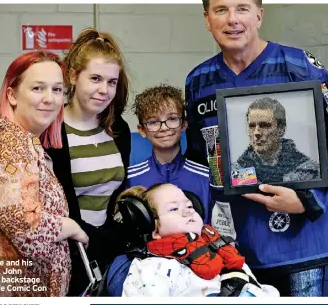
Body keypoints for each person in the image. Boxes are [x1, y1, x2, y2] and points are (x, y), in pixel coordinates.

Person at [184, 0, 328, 296]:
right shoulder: (198, 81)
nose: (232, 19)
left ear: (259, 16)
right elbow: (198, 162)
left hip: (298, 246)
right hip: (230, 251)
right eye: (221, 9)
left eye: (242, 9)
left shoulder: (300, 68)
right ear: (207, 19)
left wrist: (308, 201)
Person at [0, 51, 88, 297]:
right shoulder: (10, 142)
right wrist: (72, 227)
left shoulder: (22, 141)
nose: (50, 99)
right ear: (12, 95)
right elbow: (26, 228)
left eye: (57, 90)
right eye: (38, 88)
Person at [46, 28, 131, 295]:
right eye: (95, 78)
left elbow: (118, 194)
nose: (104, 90)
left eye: (111, 82)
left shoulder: (118, 128)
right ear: (72, 76)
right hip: (67, 252)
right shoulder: (51, 130)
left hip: (108, 249)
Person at [111, 183, 279, 297]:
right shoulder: (152, 268)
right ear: (153, 228)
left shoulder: (221, 250)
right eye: (174, 209)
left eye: (190, 206)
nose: (187, 211)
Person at [126, 84, 211, 222]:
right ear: (142, 130)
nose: (164, 128)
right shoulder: (131, 178)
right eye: (153, 121)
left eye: (172, 119)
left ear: (184, 124)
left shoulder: (205, 177)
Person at [234, 97, 319, 183]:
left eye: (264, 125)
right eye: (251, 126)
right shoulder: (239, 170)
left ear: (281, 129)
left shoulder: (307, 169)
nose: (256, 133)